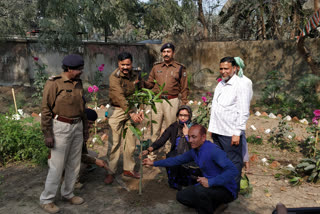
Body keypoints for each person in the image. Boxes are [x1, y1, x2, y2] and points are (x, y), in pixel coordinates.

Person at [143, 124, 238, 214]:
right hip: (209, 186)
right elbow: (176, 160)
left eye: (194, 137)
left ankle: (209, 209)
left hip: (226, 190)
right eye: (189, 136)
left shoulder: (213, 151)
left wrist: (211, 181)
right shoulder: (194, 151)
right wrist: (153, 163)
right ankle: (216, 206)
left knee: (200, 192)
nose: (190, 140)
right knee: (182, 196)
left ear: (203, 137)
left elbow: (233, 171)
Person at [40, 54, 87, 213]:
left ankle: (68, 193)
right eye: (78, 69)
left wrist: (85, 129)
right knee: (56, 166)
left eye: (81, 68)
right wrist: (47, 133)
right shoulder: (54, 83)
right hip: (60, 126)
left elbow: (82, 108)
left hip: (77, 126)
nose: (81, 71)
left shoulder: (78, 83)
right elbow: (46, 109)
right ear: (68, 69)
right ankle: (47, 200)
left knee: (74, 164)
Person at [208, 56, 251, 189]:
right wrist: (212, 129)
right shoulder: (221, 84)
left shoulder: (241, 84)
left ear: (234, 68)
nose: (223, 71)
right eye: (221, 68)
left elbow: (244, 111)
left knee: (233, 162)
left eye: (226, 68)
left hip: (230, 132)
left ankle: (233, 189)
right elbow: (216, 107)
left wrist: (237, 132)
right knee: (221, 161)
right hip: (218, 131)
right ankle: (223, 187)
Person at [105, 52, 144, 184]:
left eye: (128, 64)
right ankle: (110, 171)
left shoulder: (136, 74)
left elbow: (141, 91)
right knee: (114, 143)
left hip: (132, 108)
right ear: (118, 64)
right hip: (117, 110)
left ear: (132, 63)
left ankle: (129, 169)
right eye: (123, 65)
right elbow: (120, 98)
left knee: (131, 141)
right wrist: (131, 113)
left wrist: (141, 109)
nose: (125, 67)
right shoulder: (114, 77)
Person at [142, 105, 202, 190]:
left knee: (192, 177)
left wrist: (186, 135)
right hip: (177, 153)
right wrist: (149, 150)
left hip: (191, 154)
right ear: (177, 116)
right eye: (181, 115)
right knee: (170, 157)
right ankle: (174, 183)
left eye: (185, 115)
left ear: (190, 116)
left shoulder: (194, 127)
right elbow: (162, 139)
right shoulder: (174, 126)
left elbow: (197, 145)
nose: (183, 118)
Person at [144, 43, 189, 143]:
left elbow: (184, 87)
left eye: (168, 51)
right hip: (157, 101)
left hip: (172, 101)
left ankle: (170, 152)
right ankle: (152, 154)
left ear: (173, 53)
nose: (166, 54)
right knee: (155, 128)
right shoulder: (156, 67)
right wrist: (141, 83)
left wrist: (184, 104)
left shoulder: (179, 68)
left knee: (172, 128)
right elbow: (150, 84)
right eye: (164, 52)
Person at [234, 56, 253, 172]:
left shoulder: (246, 81)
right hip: (230, 113)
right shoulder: (228, 80)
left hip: (240, 112)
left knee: (241, 136)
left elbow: (248, 98)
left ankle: (245, 161)